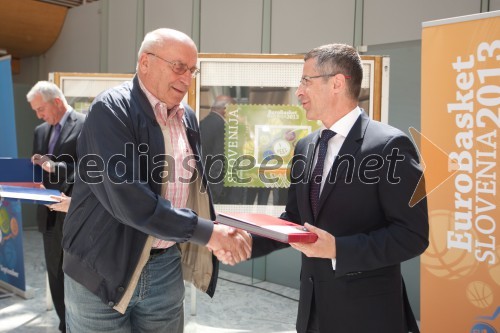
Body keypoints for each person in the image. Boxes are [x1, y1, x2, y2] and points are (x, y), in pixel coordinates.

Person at [61, 28, 251, 333]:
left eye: (191, 70)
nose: (186, 78)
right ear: (144, 62)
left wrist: (218, 232)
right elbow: (130, 201)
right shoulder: (111, 110)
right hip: (101, 267)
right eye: (178, 67)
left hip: (164, 268)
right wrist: (210, 234)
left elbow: (194, 192)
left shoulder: (186, 116)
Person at [248, 44, 429, 332]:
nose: (299, 91)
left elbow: (412, 236)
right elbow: (295, 221)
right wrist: (245, 242)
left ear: (337, 83)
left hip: (368, 316)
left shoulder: (390, 146)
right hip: (313, 314)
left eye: (306, 80)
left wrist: (338, 250)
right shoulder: (306, 147)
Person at [27, 81, 86, 333]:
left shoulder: (85, 125)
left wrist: (55, 169)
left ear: (58, 103)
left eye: (41, 109)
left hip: (75, 214)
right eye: (36, 111)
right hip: (48, 216)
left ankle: (79, 326)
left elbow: (88, 170)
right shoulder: (40, 131)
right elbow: (36, 172)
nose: (39, 115)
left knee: (77, 279)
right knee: (55, 277)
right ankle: (65, 326)